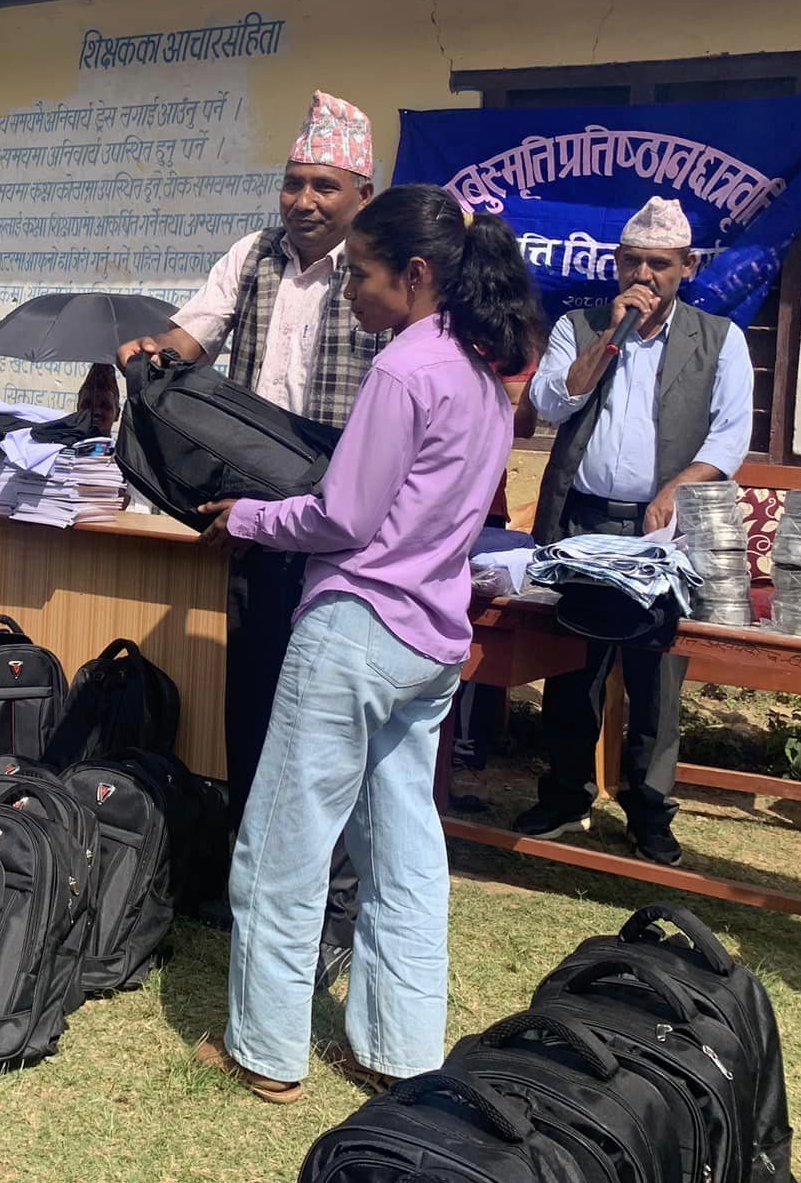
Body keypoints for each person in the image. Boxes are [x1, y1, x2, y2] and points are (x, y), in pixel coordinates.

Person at [193, 184, 541, 1100]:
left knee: (283, 843)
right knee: (402, 854)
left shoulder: (404, 370)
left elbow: (343, 515)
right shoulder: (482, 376)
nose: (349, 292)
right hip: (430, 641)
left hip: (355, 629)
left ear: (416, 275)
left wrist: (250, 516)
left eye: (361, 275)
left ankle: (265, 1049)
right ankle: (397, 1048)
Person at [118, 89, 385, 977]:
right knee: (256, 703)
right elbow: (191, 336)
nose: (303, 201)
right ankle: (255, 885)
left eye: (323, 186)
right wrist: (147, 359)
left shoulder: (380, 272)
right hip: (255, 518)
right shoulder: (253, 256)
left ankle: (335, 907)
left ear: (361, 194)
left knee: (331, 717)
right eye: (292, 183)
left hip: (344, 522)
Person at [512, 196, 753, 867]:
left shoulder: (720, 339)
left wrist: (677, 488)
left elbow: (731, 435)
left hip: (663, 533)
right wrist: (610, 338)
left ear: (687, 267)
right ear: (616, 263)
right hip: (584, 520)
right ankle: (565, 795)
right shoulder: (581, 325)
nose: (644, 276)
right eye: (633, 262)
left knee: (655, 677)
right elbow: (551, 401)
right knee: (572, 668)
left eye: (659, 264)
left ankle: (648, 813)